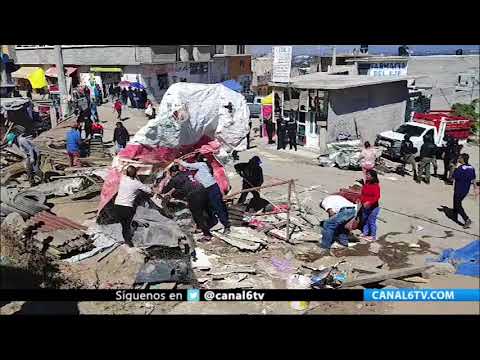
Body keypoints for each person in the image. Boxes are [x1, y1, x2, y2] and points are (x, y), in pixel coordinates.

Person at [175, 154, 231, 234]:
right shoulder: (197, 169)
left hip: (211, 188)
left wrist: (179, 161)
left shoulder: (201, 164)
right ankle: (213, 222)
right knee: (208, 207)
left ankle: (226, 225)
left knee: (217, 206)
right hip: (205, 189)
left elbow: (187, 165)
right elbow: (188, 167)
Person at [162, 165, 217, 241]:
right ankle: (206, 225)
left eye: (171, 173)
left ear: (173, 172)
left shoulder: (175, 179)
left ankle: (207, 235)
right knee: (206, 209)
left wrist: (166, 179)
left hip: (194, 195)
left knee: (197, 214)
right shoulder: (187, 173)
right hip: (202, 189)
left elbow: (165, 190)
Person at [114, 166, 152, 246]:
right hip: (127, 207)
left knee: (123, 224)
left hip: (117, 205)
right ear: (135, 174)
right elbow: (149, 190)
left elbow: (121, 172)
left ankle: (125, 238)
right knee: (126, 226)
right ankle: (128, 242)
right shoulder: (136, 183)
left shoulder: (122, 179)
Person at [452, 153, 476, 229]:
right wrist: (475, 187)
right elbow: (473, 178)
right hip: (466, 189)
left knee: (458, 204)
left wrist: (454, 167)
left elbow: (452, 178)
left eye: (459, 158)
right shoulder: (471, 167)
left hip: (459, 189)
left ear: (462, 159)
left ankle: (466, 219)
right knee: (456, 201)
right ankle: (455, 212)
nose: (458, 159)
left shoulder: (460, 168)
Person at [359, 169, 381, 241]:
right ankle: (365, 233)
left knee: (371, 221)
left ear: (373, 177)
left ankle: (373, 235)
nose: (367, 176)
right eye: (366, 174)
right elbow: (362, 194)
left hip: (373, 207)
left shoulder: (376, 186)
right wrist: (362, 201)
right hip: (365, 206)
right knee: (365, 220)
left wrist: (369, 202)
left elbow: (377, 197)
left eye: (368, 175)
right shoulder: (366, 184)